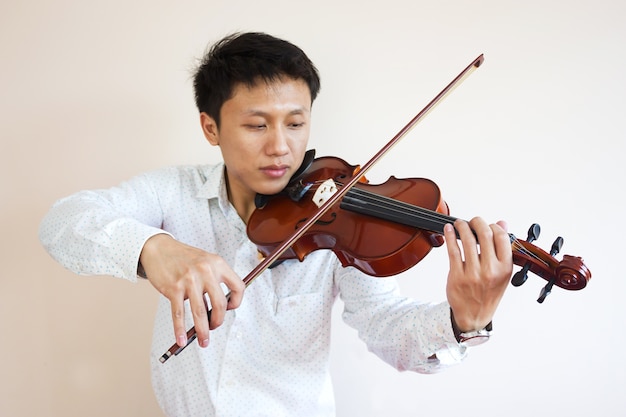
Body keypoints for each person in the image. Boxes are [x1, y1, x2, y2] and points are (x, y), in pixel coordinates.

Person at [39, 32, 513, 417]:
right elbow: (63, 222)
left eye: (295, 123)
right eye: (256, 125)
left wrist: (464, 322)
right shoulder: (172, 193)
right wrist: (155, 248)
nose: (281, 147)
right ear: (211, 128)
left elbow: (389, 326)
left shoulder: (339, 219)